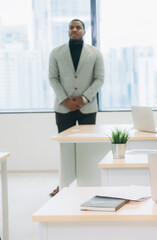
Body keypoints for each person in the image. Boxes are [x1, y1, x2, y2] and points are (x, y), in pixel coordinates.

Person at [48, 19, 104, 196]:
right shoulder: (56, 53)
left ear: (84, 32)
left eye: (78, 27)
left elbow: (99, 79)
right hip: (63, 108)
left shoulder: (95, 53)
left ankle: (88, 183)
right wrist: (65, 100)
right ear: (68, 31)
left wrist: (84, 98)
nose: (74, 30)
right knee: (65, 147)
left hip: (87, 107)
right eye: (71, 27)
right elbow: (53, 78)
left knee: (87, 147)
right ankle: (63, 184)